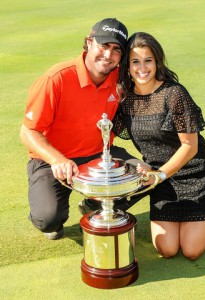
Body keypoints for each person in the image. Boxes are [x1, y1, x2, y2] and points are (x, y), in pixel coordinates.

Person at [20, 18, 137, 240]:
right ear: (88, 42)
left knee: (144, 176)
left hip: (99, 154)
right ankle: (58, 214)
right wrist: (57, 160)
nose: (108, 55)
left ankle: (95, 204)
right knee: (48, 219)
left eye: (116, 50)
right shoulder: (56, 79)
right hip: (53, 161)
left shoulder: (119, 77)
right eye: (103, 46)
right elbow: (27, 132)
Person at [113, 32, 205, 260]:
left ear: (157, 62)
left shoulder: (174, 94)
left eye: (148, 60)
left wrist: (159, 175)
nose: (142, 68)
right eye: (135, 61)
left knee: (192, 251)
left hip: (197, 175)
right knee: (168, 249)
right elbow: (107, 132)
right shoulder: (124, 99)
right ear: (127, 65)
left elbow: (189, 147)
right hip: (162, 181)